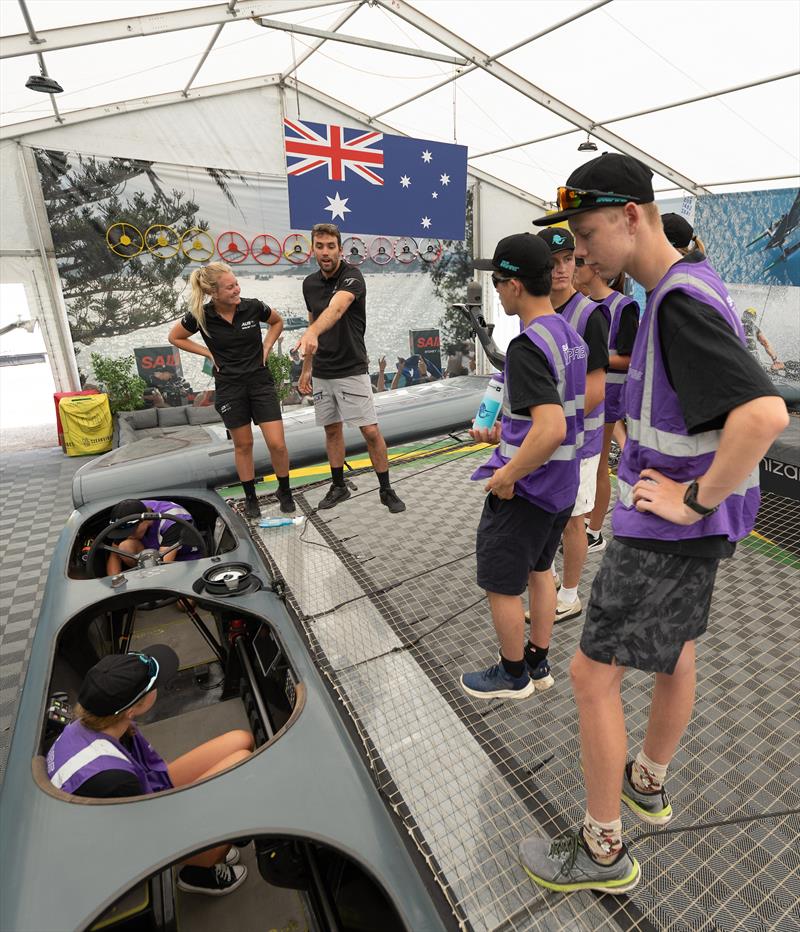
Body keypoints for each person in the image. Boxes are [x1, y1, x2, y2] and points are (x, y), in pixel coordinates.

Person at [522, 153, 787, 893]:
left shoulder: (674, 302)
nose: (577, 255)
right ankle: (648, 779)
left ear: (631, 216)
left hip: (667, 531)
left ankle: (602, 848)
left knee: (588, 676)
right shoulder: (691, 284)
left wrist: (693, 498)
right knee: (674, 652)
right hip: (693, 535)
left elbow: (764, 414)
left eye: (584, 234)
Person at [459, 233, 586, 700]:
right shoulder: (569, 334)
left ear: (514, 285)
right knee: (540, 572)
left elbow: (549, 428)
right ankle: (537, 660)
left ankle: (512, 674)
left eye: (497, 281)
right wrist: (506, 433)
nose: (495, 290)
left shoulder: (527, 346)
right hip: (562, 486)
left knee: (501, 582)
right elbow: (555, 415)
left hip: (528, 489)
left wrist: (506, 476)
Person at [46, 645, 254, 895]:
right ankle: (197, 873)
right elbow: (145, 838)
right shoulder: (110, 780)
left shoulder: (96, 720)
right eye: (153, 684)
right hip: (119, 850)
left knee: (240, 741)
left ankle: (207, 851)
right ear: (133, 708)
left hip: (135, 805)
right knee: (241, 771)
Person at [168, 262, 294, 519]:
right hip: (229, 386)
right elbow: (175, 337)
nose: (237, 289)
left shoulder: (252, 306)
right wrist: (207, 352)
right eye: (230, 287)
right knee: (243, 444)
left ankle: (285, 490)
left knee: (277, 444)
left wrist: (267, 347)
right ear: (214, 293)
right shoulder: (201, 316)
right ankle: (251, 498)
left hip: (260, 382)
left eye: (236, 283)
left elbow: (277, 322)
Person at [296, 223, 406, 514]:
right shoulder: (309, 284)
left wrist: (311, 334)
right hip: (322, 371)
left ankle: (386, 489)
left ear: (340, 249)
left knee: (370, 430)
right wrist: (307, 367)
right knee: (332, 430)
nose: (325, 252)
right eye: (319, 246)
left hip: (351, 368)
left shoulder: (353, 277)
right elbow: (312, 322)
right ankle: (338, 486)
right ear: (313, 250)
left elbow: (336, 308)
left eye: (330, 246)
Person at [536, 227, 609, 622]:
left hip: (579, 439)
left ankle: (570, 594)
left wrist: (551, 416)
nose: (562, 269)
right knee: (549, 515)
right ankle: (549, 587)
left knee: (572, 520)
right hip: (548, 435)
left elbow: (596, 389)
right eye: (553, 262)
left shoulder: (589, 314)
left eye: (569, 260)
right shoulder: (537, 309)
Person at [573, 261, 640, 553]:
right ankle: (583, 522)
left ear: (597, 270)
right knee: (583, 464)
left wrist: (593, 358)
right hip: (583, 395)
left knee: (598, 465)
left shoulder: (624, 307)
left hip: (608, 396)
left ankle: (595, 530)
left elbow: (631, 358)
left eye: (578, 263)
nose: (573, 268)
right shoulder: (582, 306)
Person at [104, 498, 201, 577]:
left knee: (186, 599)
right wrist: (114, 583)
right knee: (125, 547)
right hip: (150, 554)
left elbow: (163, 566)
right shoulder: (129, 514)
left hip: (185, 559)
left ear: (145, 520)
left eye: (131, 532)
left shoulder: (172, 522)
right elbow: (115, 555)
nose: (127, 535)